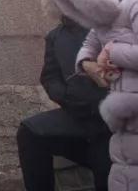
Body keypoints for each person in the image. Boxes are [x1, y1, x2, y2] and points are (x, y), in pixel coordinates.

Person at [38, 0, 138, 190]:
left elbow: (107, 50)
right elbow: (88, 47)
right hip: (122, 118)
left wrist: (111, 51)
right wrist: (86, 64)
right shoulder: (100, 21)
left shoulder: (133, 3)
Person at [16, 15, 110, 191]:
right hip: (78, 116)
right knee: (30, 132)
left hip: (112, 123)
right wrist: (67, 97)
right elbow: (50, 77)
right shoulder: (56, 36)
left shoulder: (111, 27)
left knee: (108, 169)